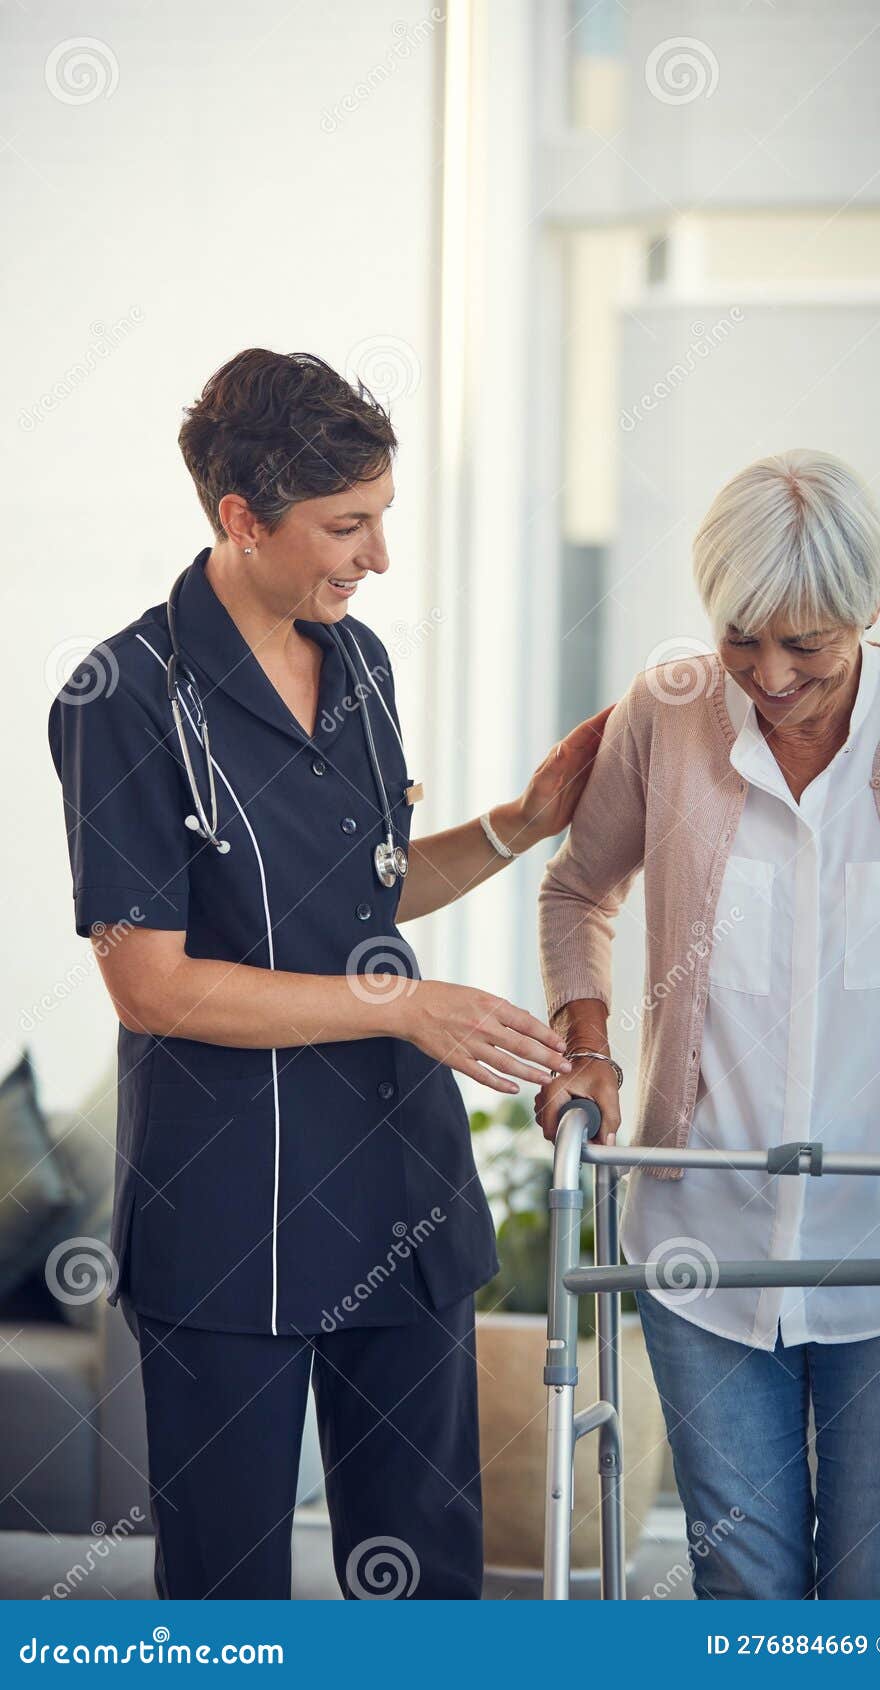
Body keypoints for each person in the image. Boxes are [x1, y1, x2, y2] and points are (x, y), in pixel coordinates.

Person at [48, 347, 606, 1600]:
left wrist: (518, 823)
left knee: (425, 1586)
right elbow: (152, 982)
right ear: (241, 517)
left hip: (398, 1190)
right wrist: (401, 1001)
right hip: (227, 1210)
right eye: (346, 525)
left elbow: (361, 890)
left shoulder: (357, 662)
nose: (377, 559)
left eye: (383, 519)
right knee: (234, 1592)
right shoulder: (124, 695)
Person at [536, 448, 880, 1600]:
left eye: (806, 644)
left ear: (873, 607)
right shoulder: (666, 712)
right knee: (744, 1589)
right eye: (741, 637)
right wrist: (588, 1048)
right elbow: (578, 888)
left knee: (879, 1585)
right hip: (703, 1232)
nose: (768, 675)